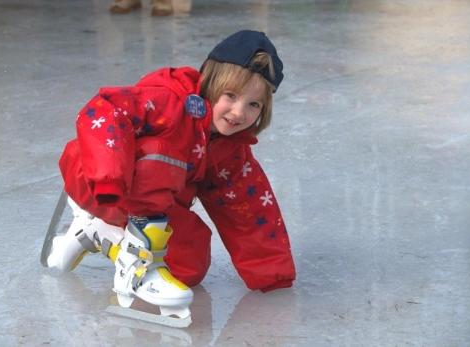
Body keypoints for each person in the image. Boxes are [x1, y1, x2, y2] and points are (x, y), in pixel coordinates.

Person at [43, 30, 296, 325]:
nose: (239, 112)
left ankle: (100, 233)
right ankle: (134, 252)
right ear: (211, 83)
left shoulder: (230, 150)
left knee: (191, 265)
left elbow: (248, 211)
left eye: (254, 105)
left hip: (149, 210)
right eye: (231, 96)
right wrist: (108, 178)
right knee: (163, 150)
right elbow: (104, 110)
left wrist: (271, 272)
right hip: (95, 177)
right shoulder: (170, 100)